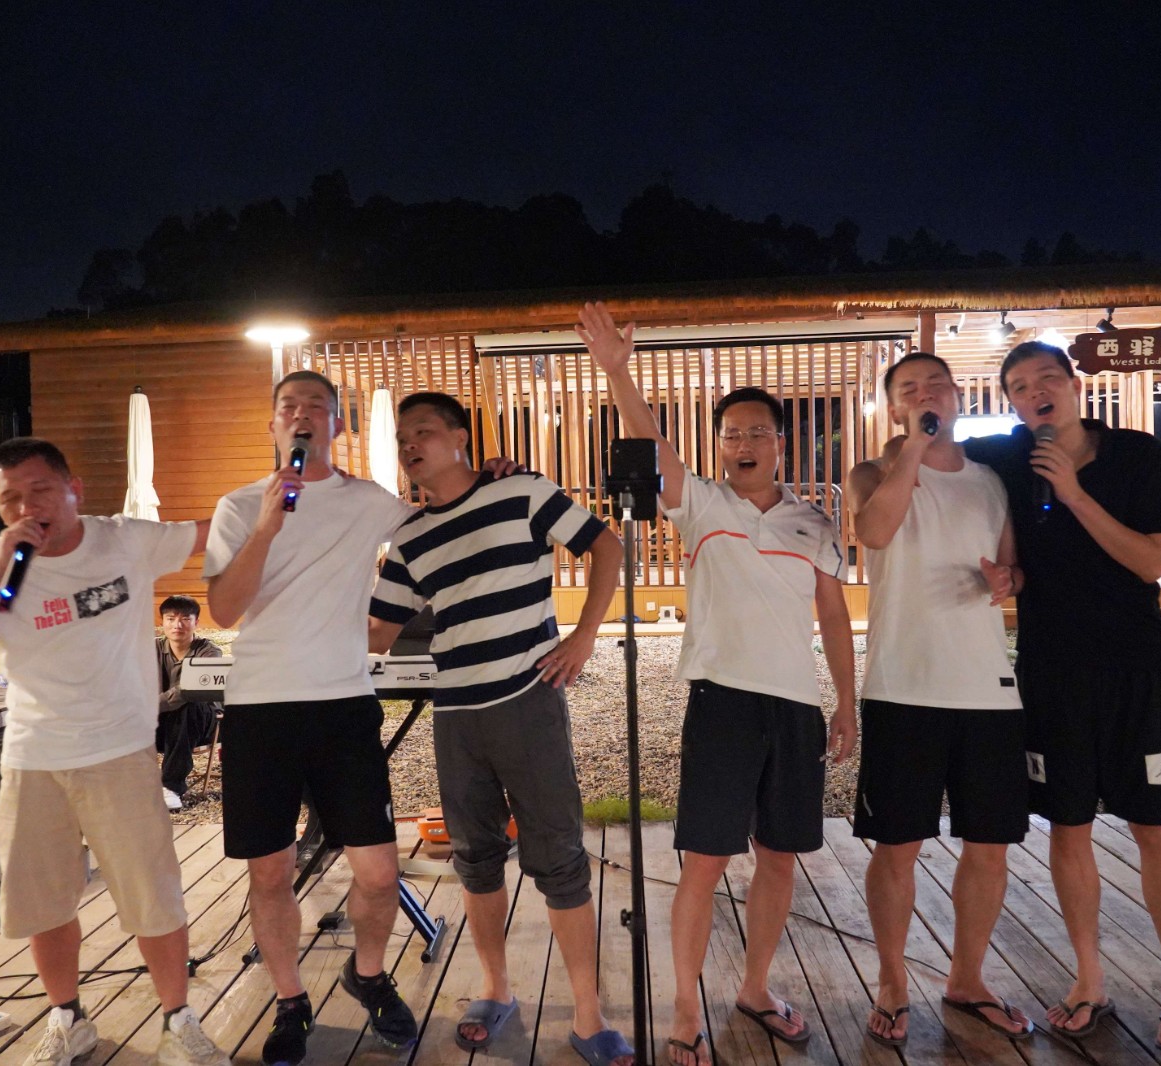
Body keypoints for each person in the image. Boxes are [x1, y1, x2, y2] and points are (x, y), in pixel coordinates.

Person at [577, 302, 857, 1066]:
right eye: (731, 434)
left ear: (780, 443)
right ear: (720, 446)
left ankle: (756, 988)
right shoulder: (701, 504)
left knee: (780, 856)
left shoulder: (813, 523)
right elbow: (651, 443)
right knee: (703, 861)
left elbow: (834, 617)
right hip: (722, 702)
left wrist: (845, 705)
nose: (743, 443)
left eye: (757, 432)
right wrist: (618, 372)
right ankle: (683, 1008)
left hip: (795, 708)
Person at [0, 438, 228, 1066]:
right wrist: (2, 561)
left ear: (74, 490)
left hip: (119, 751)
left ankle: (177, 1021)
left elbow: (213, 530)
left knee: (154, 896)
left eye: (40, 490)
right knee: (45, 902)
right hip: (32, 756)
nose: (27, 507)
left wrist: (286, 499)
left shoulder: (123, 540)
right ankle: (68, 1017)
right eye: (10, 499)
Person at [367, 392, 633, 1066]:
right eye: (402, 438)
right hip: (455, 714)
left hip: (527, 700)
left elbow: (607, 547)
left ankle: (589, 1013)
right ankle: (495, 988)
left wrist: (584, 636)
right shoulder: (409, 538)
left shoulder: (520, 491)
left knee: (559, 857)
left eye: (423, 431)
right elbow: (374, 633)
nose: (410, 445)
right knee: (474, 857)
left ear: (460, 437)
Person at [964, 341, 1161, 1055]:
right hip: (1050, 669)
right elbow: (1009, 549)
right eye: (1018, 387)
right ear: (1011, 402)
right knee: (1067, 826)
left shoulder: (1135, 454)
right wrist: (1007, 579)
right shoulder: (1010, 459)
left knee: (1154, 826)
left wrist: (1073, 493)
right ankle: (1088, 979)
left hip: (1135, 667)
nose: (1034, 392)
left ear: (1073, 386)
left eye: (1046, 379)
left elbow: (1152, 562)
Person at [202, 370, 421, 1063]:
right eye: (289, 408)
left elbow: (441, 522)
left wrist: (486, 475)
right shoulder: (240, 506)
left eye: (316, 408)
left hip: (343, 706)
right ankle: (290, 1000)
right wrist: (268, 527)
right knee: (270, 873)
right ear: (273, 426)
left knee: (378, 873)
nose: (301, 416)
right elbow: (223, 611)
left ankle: (368, 975)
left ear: (335, 425)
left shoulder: (369, 502)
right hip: (260, 709)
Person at [848, 352, 1032, 1049]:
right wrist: (913, 452)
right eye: (909, 390)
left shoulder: (990, 481)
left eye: (936, 386)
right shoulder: (873, 473)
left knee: (989, 845)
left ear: (957, 396)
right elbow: (874, 531)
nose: (926, 396)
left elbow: (1011, 567)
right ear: (894, 407)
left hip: (987, 688)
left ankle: (968, 978)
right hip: (903, 685)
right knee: (897, 845)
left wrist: (1005, 580)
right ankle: (892, 981)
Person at [155, 594, 222, 811]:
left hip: (200, 725)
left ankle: (171, 786)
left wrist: (149, 705)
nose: (177, 625)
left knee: (189, 702)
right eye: (171, 619)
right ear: (162, 622)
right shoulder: (150, 649)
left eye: (185, 618)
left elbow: (189, 691)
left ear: (196, 622)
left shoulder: (208, 651)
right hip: (156, 724)